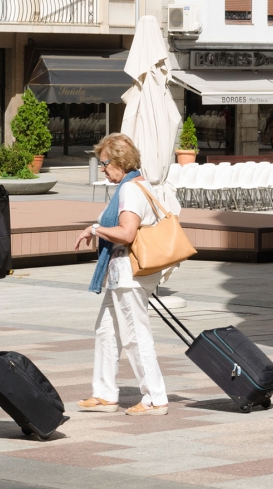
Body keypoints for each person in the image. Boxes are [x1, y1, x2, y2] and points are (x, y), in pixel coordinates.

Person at [74, 133, 169, 416]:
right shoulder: (139, 185)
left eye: (104, 164)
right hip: (122, 274)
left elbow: (126, 233)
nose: (102, 169)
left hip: (128, 273)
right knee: (106, 330)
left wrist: (94, 229)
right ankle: (105, 395)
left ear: (118, 161)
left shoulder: (129, 190)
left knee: (135, 335)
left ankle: (155, 398)